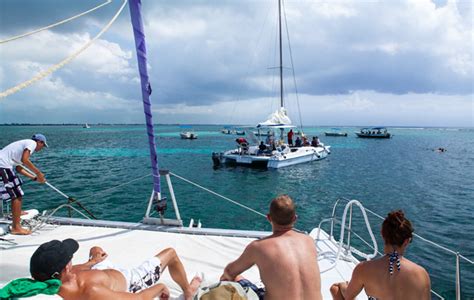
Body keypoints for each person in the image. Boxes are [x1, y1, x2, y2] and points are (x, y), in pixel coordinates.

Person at [220, 195, 322, 300]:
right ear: (295, 218)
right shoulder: (309, 241)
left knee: (236, 278)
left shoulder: (258, 247)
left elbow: (229, 272)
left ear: (269, 218)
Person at [29, 239, 201, 300]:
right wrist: (160, 287)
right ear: (66, 267)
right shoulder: (91, 291)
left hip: (104, 271)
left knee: (96, 248)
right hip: (131, 281)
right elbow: (139, 299)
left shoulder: (61, 279)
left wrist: (94, 260)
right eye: (69, 258)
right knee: (170, 253)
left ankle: (97, 256)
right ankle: (188, 292)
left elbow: (81, 268)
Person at [330, 210, 431, 300]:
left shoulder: (363, 268)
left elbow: (348, 296)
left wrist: (343, 286)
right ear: (407, 241)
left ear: (382, 234)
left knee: (335, 289)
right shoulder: (421, 274)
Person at [0, 134, 48, 235]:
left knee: (16, 193)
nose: (41, 148)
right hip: (3, 165)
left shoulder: (22, 147)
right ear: (40, 142)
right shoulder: (32, 143)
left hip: (4, 165)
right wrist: (39, 173)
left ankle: (17, 212)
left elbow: (19, 168)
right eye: (43, 146)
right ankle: (16, 227)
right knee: (17, 195)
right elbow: (25, 160)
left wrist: (35, 178)